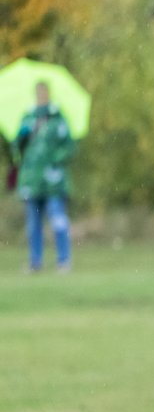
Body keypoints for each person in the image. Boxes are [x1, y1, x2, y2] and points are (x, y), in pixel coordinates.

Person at [14, 82, 76, 274]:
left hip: (53, 181)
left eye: (44, 93)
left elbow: (70, 148)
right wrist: (24, 135)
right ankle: (35, 261)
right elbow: (17, 149)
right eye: (38, 94)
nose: (41, 97)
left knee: (58, 220)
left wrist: (54, 160)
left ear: (48, 94)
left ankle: (63, 260)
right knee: (33, 224)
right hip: (32, 181)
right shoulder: (27, 119)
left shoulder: (58, 121)